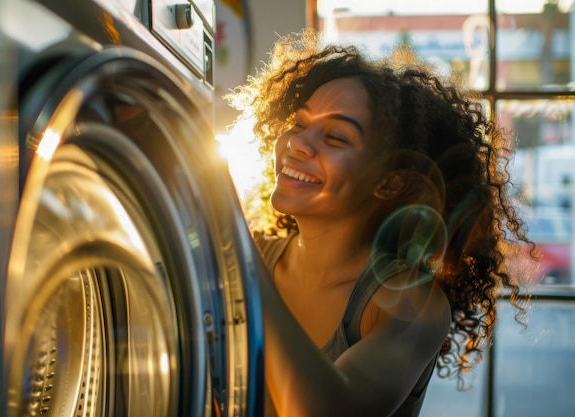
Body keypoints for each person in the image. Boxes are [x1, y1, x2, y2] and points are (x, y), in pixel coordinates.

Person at [226, 30, 533, 417]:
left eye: (336, 137)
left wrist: (238, 255)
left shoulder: (412, 306)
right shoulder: (250, 252)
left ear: (390, 182)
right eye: (299, 123)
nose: (297, 144)